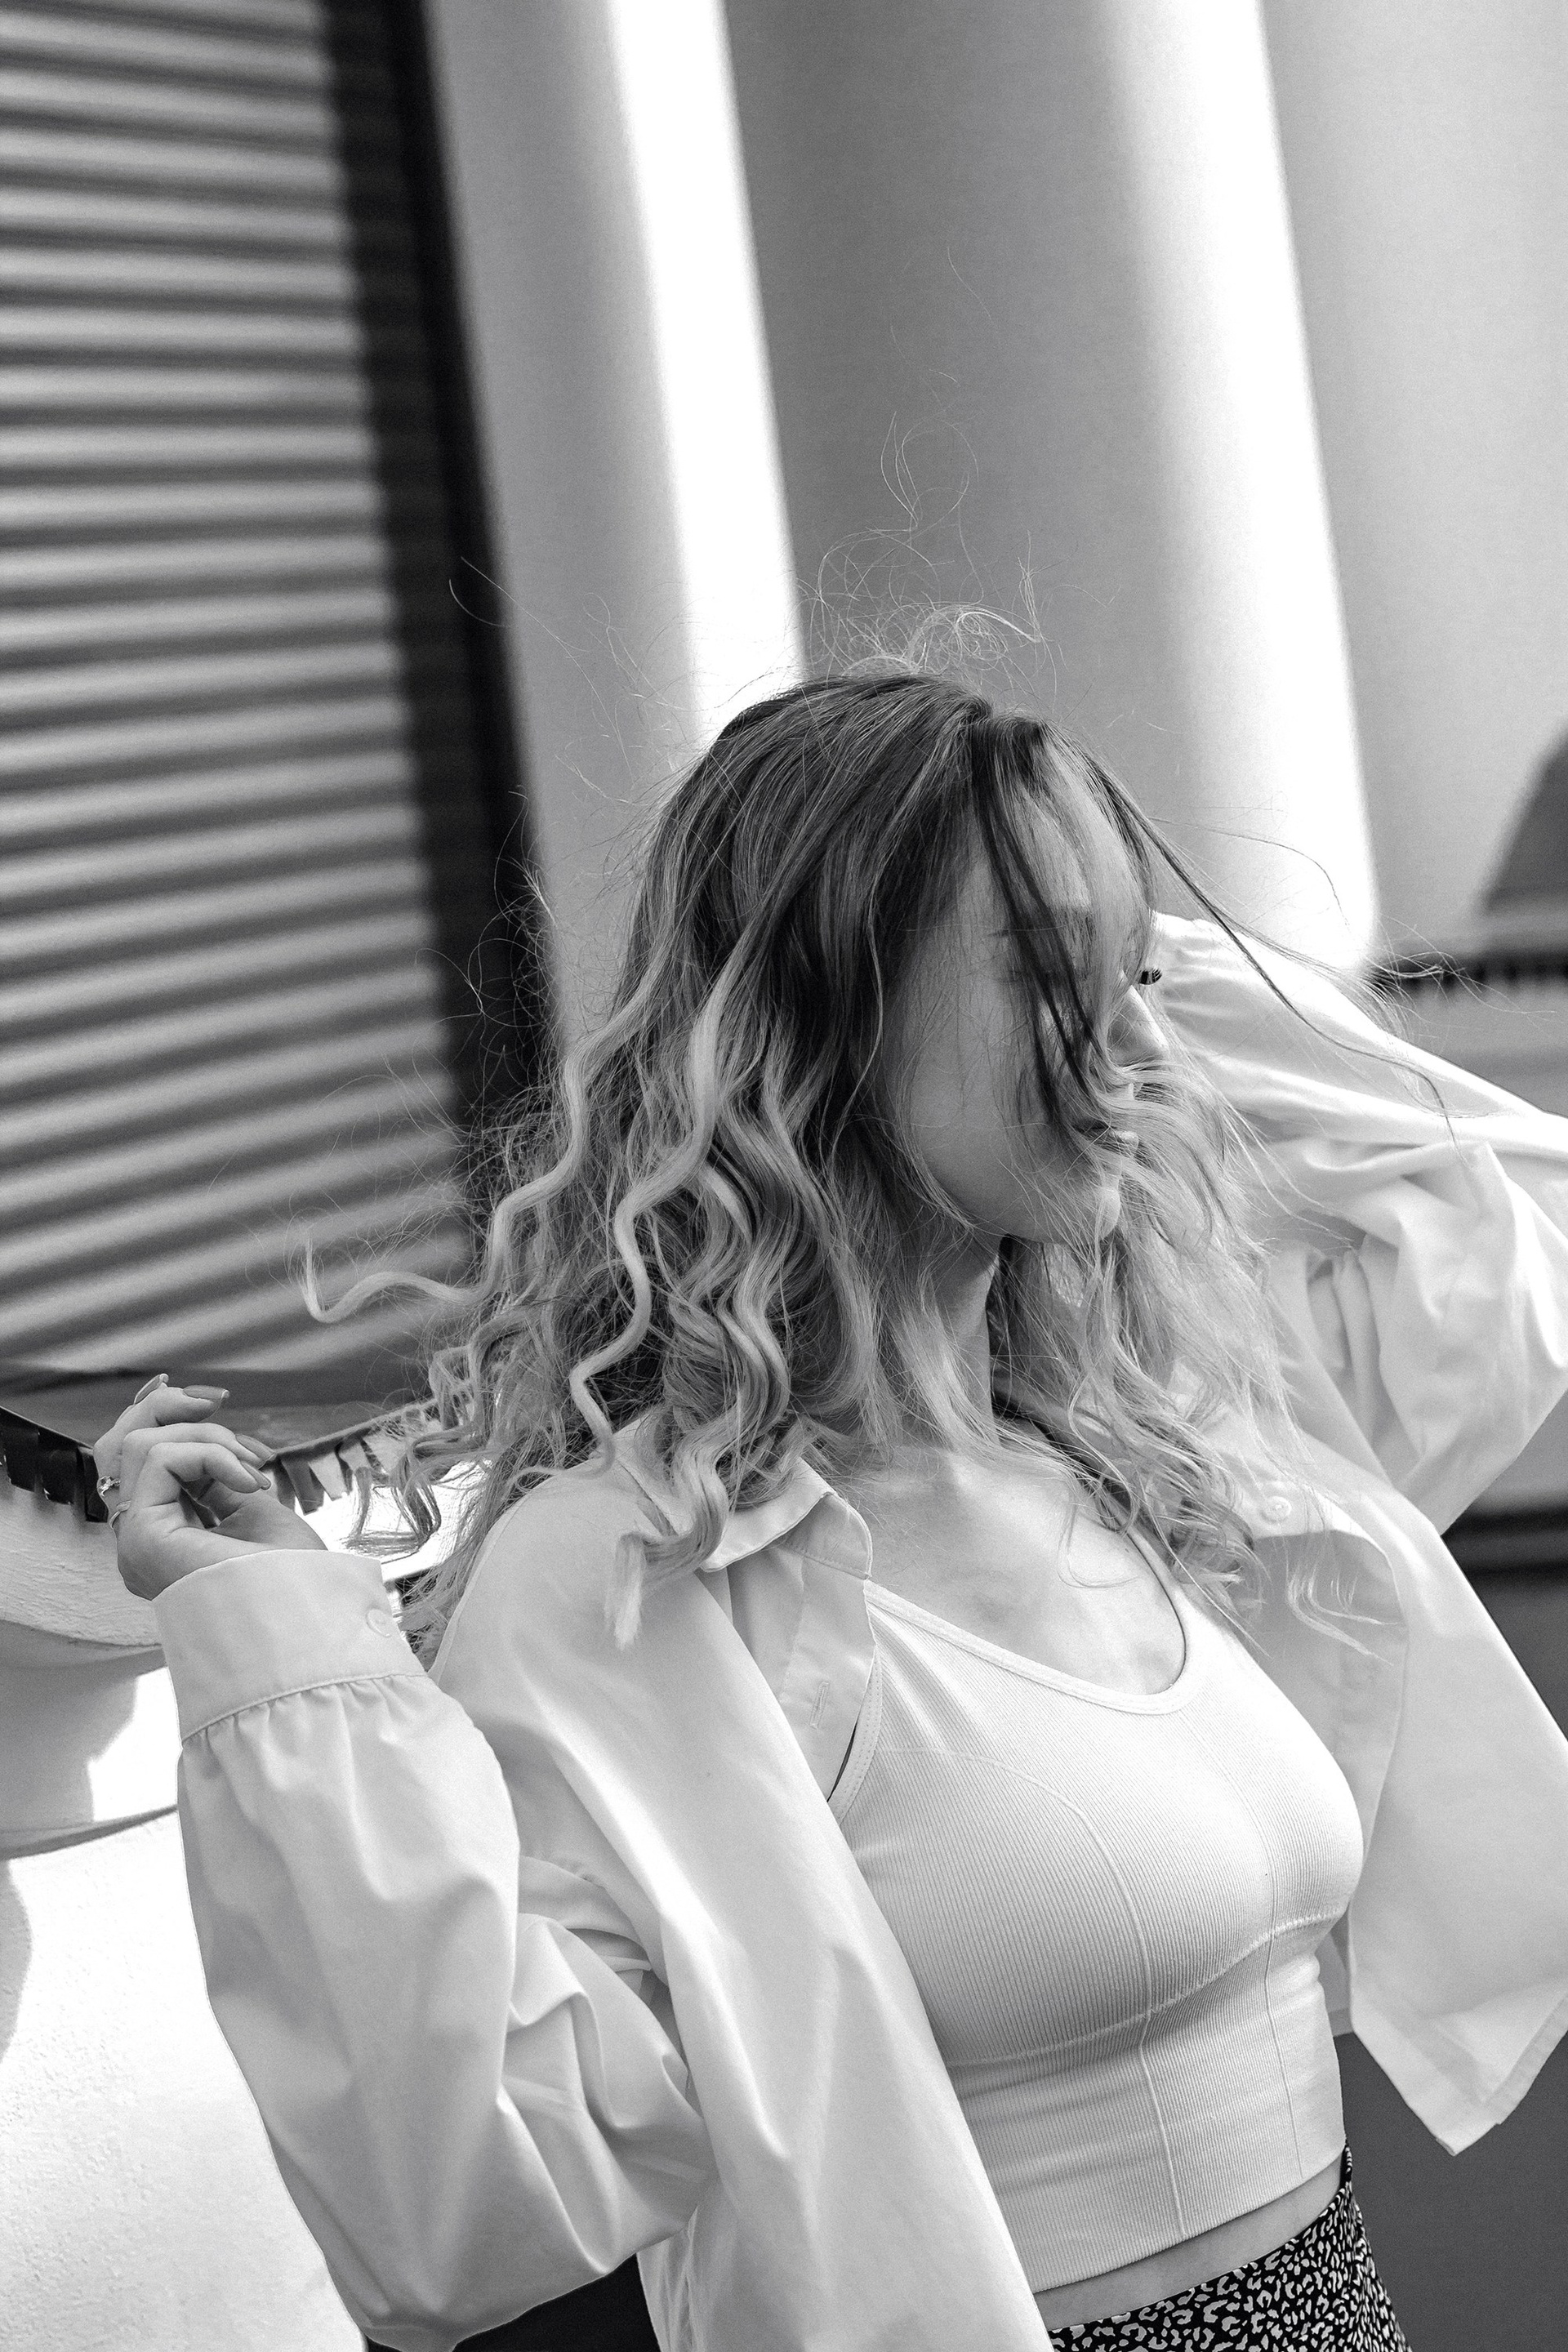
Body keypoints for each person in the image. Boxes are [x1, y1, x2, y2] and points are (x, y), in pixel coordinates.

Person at [98, 662, 1568, 2352]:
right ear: (824, 1018)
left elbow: (1516, 1202)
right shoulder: (641, 1574)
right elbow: (467, 2196)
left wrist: (1099, 920)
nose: (1140, 1045)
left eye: (1142, 976)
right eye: (1048, 976)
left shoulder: (1160, 1446)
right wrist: (281, 1656)